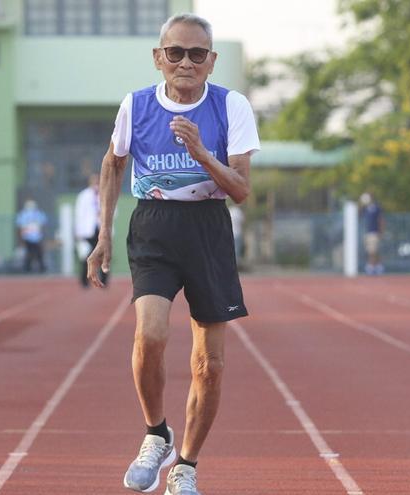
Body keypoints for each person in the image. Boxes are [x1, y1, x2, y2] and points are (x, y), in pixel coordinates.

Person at [86, 14, 260, 495]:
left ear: (211, 61)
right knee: (151, 332)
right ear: (159, 57)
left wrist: (203, 153)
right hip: (155, 225)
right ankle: (156, 434)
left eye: (197, 53)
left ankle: (186, 465)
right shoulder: (137, 105)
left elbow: (242, 190)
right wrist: (103, 235)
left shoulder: (232, 105)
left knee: (210, 364)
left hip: (207, 227)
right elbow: (113, 162)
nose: (186, 62)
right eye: (176, 52)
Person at [74, 173, 107, 288]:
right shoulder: (83, 196)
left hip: (102, 230)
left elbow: (114, 211)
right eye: (94, 180)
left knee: (103, 256)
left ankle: (104, 281)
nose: (96, 182)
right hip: (87, 231)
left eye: (98, 180)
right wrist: (78, 231)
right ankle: (85, 281)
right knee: (86, 256)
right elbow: (79, 214)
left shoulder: (105, 193)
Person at [15, 199, 47, 273]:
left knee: (37, 253)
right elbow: (20, 227)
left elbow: (42, 225)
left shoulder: (35, 214)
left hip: (35, 237)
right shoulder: (25, 214)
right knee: (31, 253)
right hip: (29, 237)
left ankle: (39, 267)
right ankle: (28, 268)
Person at [360, 191, 385, 275]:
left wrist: (381, 231)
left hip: (374, 232)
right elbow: (358, 214)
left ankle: (372, 267)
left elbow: (381, 220)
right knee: (371, 250)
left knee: (373, 250)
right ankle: (377, 266)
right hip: (368, 232)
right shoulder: (366, 208)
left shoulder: (376, 208)